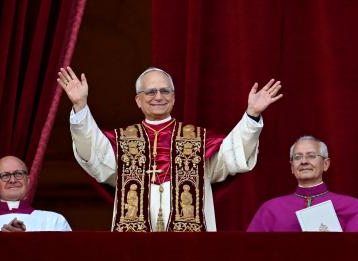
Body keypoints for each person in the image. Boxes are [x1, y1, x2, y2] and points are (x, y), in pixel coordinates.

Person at [58, 66, 282, 232]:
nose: (158, 97)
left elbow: (233, 155)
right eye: (151, 92)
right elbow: (94, 156)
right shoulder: (121, 140)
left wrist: (251, 114)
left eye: (165, 91)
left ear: (174, 98)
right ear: (138, 100)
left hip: (190, 241)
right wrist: (80, 106)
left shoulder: (199, 140)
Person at [247, 136, 358, 232]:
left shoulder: (351, 206)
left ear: (326, 164)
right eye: (297, 157)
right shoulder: (270, 209)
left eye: (311, 156)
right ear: (292, 167)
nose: (304, 161)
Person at [0, 156, 71, 232]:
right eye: (5, 175)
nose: (12, 180)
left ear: (28, 180)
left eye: (18, 174)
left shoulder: (54, 221)